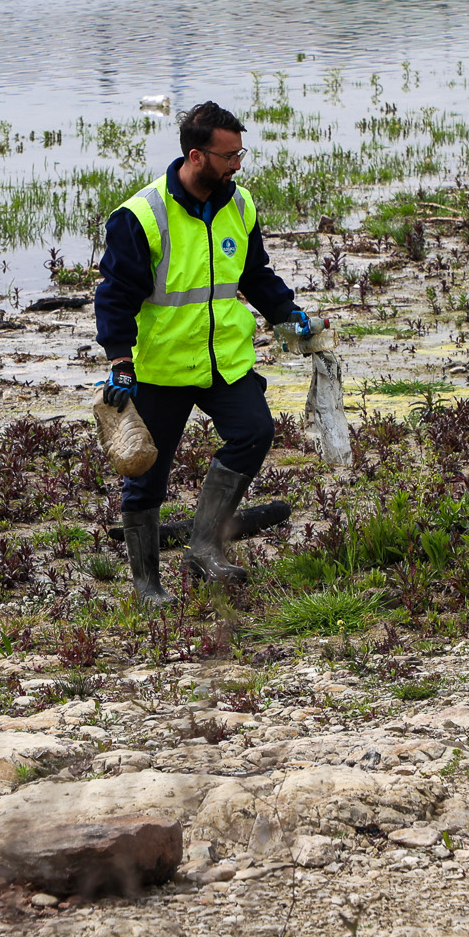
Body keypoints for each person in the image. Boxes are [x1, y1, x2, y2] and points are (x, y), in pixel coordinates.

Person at [94, 101, 319, 605]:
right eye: (228, 155)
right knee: (146, 474)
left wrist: (287, 312)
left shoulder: (239, 205)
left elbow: (254, 274)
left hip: (225, 362)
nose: (237, 164)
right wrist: (119, 361)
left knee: (255, 432)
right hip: (162, 367)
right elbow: (114, 296)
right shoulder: (140, 217)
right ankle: (147, 585)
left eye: (240, 153)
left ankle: (203, 546)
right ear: (196, 156)